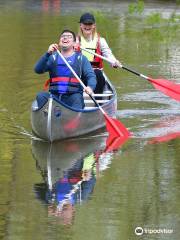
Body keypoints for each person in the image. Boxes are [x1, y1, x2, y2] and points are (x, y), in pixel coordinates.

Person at [34, 29, 97, 109]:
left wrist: (90, 87)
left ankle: (75, 119)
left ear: (74, 43)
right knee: (41, 96)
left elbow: (91, 76)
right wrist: (47, 53)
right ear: (59, 42)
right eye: (63, 36)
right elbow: (37, 70)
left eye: (69, 37)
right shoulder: (52, 57)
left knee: (77, 100)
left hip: (73, 96)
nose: (65, 38)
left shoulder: (81, 59)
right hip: (54, 96)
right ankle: (46, 116)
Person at [76, 13, 121, 94]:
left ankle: (97, 98)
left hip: (96, 75)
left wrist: (114, 62)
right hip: (80, 74)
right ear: (81, 25)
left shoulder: (101, 41)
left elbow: (108, 55)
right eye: (85, 24)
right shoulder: (75, 41)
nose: (87, 26)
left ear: (94, 25)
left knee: (98, 73)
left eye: (90, 24)